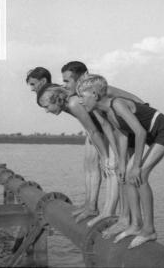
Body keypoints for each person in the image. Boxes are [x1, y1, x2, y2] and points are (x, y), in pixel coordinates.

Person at [76, 74, 164, 249]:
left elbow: (140, 132)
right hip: (150, 135)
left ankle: (149, 230)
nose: (80, 102)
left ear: (94, 93)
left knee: (140, 176)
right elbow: (123, 134)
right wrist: (122, 163)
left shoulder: (117, 104)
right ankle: (135, 225)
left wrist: (137, 165)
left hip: (163, 132)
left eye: (82, 97)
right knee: (126, 177)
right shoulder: (104, 111)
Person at [60, 61, 146, 228]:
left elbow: (123, 114)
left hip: (136, 124)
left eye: (67, 81)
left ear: (83, 77)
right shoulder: (87, 96)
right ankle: (124, 218)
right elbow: (104, 123)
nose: (65, 85)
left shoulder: (100, 91)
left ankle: (129, 220)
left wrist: (113, 156)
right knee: (121, 171)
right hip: (121, 127)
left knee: (125, 173)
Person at [36, 83, 118, 224]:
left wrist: (104, 156)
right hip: (107, 130)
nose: (46, 111)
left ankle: (109, 214)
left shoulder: (73, 103)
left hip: (116, 130)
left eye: (46, 106)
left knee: (112, 169)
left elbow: (93, 130)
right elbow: (93, 128)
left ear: (56, 99)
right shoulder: (69, 104)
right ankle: (94, 208)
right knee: (107, 169)